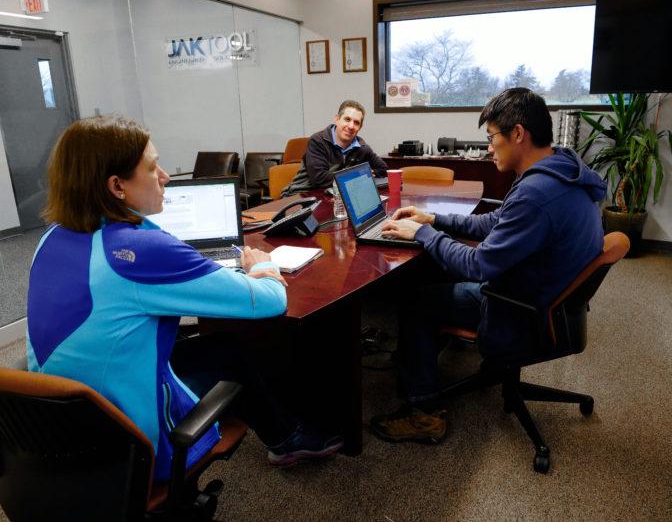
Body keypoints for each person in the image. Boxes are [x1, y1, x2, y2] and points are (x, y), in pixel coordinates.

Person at [26, 116, 343, 480]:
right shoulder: (136, 249)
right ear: (117, 186)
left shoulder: (51, 237)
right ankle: (288, 438)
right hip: (124, 440)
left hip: (56, 424)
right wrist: (263, 266)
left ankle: (285, 437)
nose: (164, 177)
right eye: (152, 167)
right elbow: (271, 301)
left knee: (223, 347)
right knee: (234, 359)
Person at [370, 88, 607, 444]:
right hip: (546, 293)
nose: (488, 147)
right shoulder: (561, 169)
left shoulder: (536, 193)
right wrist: (433, 218)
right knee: (435, 269)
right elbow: (495, 221)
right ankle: (417, 358)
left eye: (491, 137)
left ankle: (424, 414)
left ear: (517, 134)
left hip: (521, 308)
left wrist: (422, 233)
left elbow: (477, 265)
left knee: (416, 300)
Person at [281, 99, 387, 196]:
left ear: (360, 127)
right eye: (347, 119)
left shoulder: (362, 148)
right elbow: (320, 179)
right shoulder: (318, 141)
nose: (351, 126)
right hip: (301, 195)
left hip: (333, 196)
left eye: (356, 122)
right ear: (337, 119)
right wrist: (357, 176)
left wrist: (362, 175)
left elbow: (383, 170)